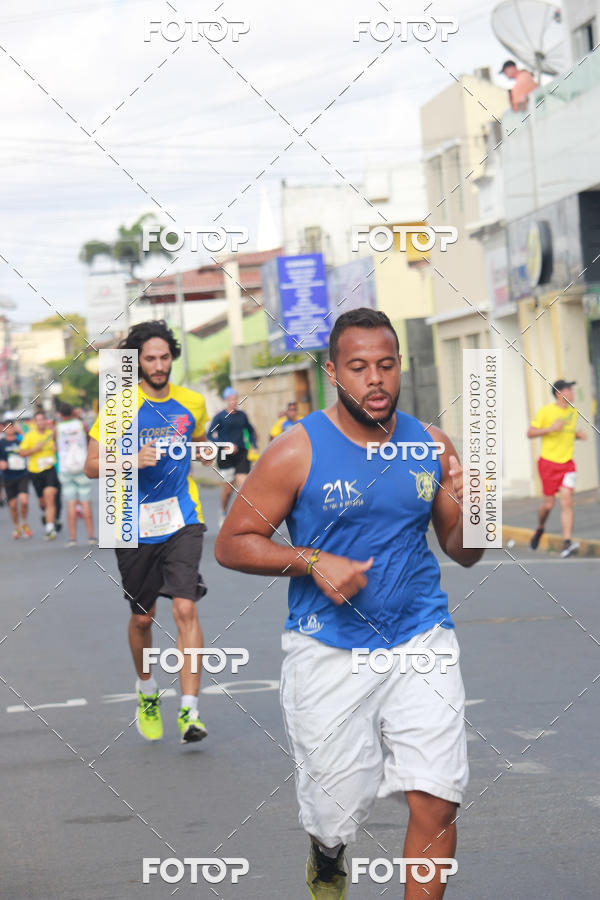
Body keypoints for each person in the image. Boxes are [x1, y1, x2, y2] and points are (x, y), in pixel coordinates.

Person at [215, 307, 482, 900]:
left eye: (385, 365)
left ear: (398, 366)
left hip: (421, 639)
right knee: (337, 807)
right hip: (328, 648)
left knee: (437, 799)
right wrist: (311, 560)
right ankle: (328, 851)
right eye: (359, 367)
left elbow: (463, 553)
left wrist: (476, 509)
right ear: (334, 372)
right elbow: (232, 544)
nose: (376, 379)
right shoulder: (296, 450)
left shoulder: (430, 444)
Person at [84, 320, 210, 744]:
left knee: (185, 610)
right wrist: (129, 459)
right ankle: (147, 688)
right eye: (149, 359)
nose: (158, 366)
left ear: (172, 357)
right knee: (143, 617)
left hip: (182, 517)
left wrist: (206, 451)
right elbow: (90, 466)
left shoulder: (192, 401)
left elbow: (197, 441)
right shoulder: (119, 406)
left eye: (164, 357)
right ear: (137, 362)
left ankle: (190, 713)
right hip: (130, 519)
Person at [527, 378, 586, 558]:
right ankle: (540, 528)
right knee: (549, 504)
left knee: (567, 500)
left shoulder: (573, 413)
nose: (572, 393)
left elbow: (566, 434)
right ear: (559, 393)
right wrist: (550, 428)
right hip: (548, 464)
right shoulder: (546, 412)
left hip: (567, 464)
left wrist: (577, 435)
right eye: (568, 390)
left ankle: (567, 542)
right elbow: (530, 433)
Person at [207, 387, 257, 527]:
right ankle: (222, 511)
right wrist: (224, 445)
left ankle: (243, 517)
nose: (234, 401)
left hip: (241, 454)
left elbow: (250, 429)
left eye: (235, 398)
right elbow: (210, 435)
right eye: (231, 399)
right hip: (225, 456)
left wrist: (253, 444)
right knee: (229, 489)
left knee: (243, 486)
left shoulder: (242, 415)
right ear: (226, 400)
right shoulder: (220, 417)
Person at [55, 402, 96, 546]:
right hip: (81, 465)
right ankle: (91, 536)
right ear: (72, 412)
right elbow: (90, 437)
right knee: (86, 502)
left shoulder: (57, 427)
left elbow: (55, 443)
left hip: (66, 467)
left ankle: (72, 538)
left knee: (70, 503)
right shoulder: (81, 425)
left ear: (60, 414)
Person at [19, 409, 60, 540]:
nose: (41, 422)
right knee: (43, 502)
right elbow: (22, 453)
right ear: (35, 422)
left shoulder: (51, 433)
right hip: (35, 471)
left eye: (43, 419)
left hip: (49, 469)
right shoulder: (29, 436)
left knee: (50, 496)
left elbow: (58, 446)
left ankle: (50, 528)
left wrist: (56, 448)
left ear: (45, 421)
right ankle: (46, 514)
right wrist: (34, 449)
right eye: (38, 420)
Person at [0, 420, 32, 539]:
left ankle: (24, 523)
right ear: (3, 429)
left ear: (14, 428)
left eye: (11, 427)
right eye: (6, 427)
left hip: (22, 474)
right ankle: (16, 526)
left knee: (24, 501)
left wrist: (22, 433)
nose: (9, 429)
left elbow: (29, 448)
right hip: (8, 477)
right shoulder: (1, 443)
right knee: (13, 505)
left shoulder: (20, 441)